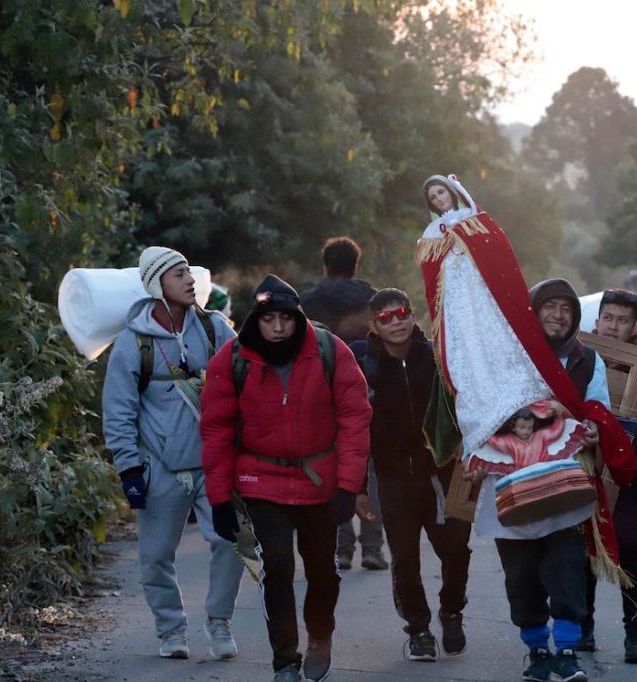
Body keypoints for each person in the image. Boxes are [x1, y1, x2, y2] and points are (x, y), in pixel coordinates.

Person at [418, 176, 637, 682]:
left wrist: (579, 427)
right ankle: (537, 654)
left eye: (566, 309)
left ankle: (565, 652)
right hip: (506, 490)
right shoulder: (498, 356)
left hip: (560, 481)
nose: (558, 316)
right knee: (519, 577)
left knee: (564, 570)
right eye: (549, 309)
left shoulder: (573, 362)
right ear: (530, 314)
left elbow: (598, 414)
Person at [200, 274, 372, 682]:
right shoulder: (232, 359)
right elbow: (216, 430)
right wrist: (220, 498)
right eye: (268, 319)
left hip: (319, 479)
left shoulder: (331, 351)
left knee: (322, 572)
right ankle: (285, 660)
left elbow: (355, 418)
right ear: (255, 320)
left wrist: (349, 487)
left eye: (285, 319)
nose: (277, 328)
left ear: (298, 318)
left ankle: (320, 635)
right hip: (261, 479)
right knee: (276, 567)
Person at [102, 246, 242, 661]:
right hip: (160, 467)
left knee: (231, 544)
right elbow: (118, 409)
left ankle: (219, 622)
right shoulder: (133, 343)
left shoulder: (216, 329)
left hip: (214, 463)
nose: (188, 279)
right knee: (155, 557)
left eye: (188, 272)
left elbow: (248, 379)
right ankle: (171, 630)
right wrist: (128, 466)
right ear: (155, 283)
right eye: (177, 274)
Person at [349, 287, 472, 662]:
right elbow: (353, 428)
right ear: (374, 325)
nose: (396, 322)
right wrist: (357, 487)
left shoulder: (438, 357)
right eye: (385, 317)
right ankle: (418, 629)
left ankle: (451, 610)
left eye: (401, 313)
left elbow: (467, 404)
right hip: (392, 478)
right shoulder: (364, 366)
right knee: (404, 559)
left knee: (456, 552)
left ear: (413, 315)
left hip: (444, 475)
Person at [300, 236, 387, 572]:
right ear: (355, 265)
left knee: (333, 469)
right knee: (370, 470)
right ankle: (372, 548)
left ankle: (342, 549)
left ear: (325, 266)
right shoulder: (373, 300)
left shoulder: (305, 302)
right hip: (367, 393)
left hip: (321, 395)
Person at [579, 288, 637, 663]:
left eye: (622, 320)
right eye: (608, 318)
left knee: (627, 545)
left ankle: (635, 632)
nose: (613, 326)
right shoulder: (577, 360)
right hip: (583, 472)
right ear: (597, 323)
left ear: (633, 326)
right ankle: (583, 625)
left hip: (629, 477)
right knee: (582, 548)